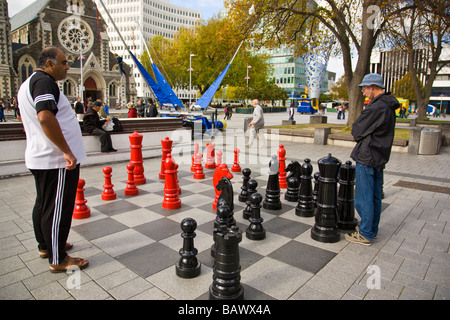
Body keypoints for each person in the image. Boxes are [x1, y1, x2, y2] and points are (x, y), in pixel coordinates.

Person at [17, 46, 89, 272]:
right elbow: (45, 117)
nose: (68, 66)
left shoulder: (28, 83)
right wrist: (66, 151)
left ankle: (47, 246)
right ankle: (58, 258)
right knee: (58, 208)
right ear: (49, 64)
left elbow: (25, 118)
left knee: (44, 204)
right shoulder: (45, 82)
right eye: (64, 62)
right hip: (56, 160)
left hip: (41, 155)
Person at [345, 73, 399, 246]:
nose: (363, 91)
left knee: (364, 196)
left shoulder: (377, 107)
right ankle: (371, 230)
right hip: (379, 155)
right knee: (375, 195)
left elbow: (357, 130)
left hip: (367, 156)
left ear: (373, 87)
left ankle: (366, 233)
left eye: (364, 88)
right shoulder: (388, 106)